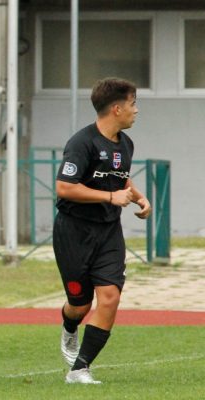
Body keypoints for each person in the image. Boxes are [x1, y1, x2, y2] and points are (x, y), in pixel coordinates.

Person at [54, 78, 152, 384]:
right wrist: (110, 197)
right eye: (134, 104)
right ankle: (70, 328)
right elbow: (64, 187)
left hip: (108, 231)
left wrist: (138, 196)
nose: (137, 110)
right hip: (73, 231)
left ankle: (80, 368)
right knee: (80, 305)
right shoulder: (81, 143)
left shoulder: (126, 143)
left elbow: (119, 178)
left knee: (109, 297)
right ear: (117, 108)